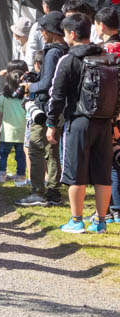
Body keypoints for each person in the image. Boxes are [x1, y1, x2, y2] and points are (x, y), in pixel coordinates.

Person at [46, 14, 116, 234]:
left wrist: (51, 123)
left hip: (78, 121)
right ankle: (101, 221)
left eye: (66, 33)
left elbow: (56, 95)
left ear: (72, 34)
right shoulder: (105, 56)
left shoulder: (67, 60)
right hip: (104, 122)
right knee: (103, 174)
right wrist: (114, 120)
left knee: (75, 173)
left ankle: (76, 220)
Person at [17, 11, 67, 207]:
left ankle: (38, 192)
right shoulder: (64, 49)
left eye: (43, 30)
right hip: (58, 107)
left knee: (36, 148)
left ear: (50, 32)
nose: (42, 34)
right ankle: (54, 192)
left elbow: (48, 83)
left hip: (45, 107)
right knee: (53, 150)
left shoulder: (53, 51)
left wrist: (31, 87)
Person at [0, 60, 29, 185]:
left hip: (6, 133)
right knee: (21, 156)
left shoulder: (3, 97)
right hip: (22, 133)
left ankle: (1, 174)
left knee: (3, 154)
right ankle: (20, 176)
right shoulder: (26, 98)